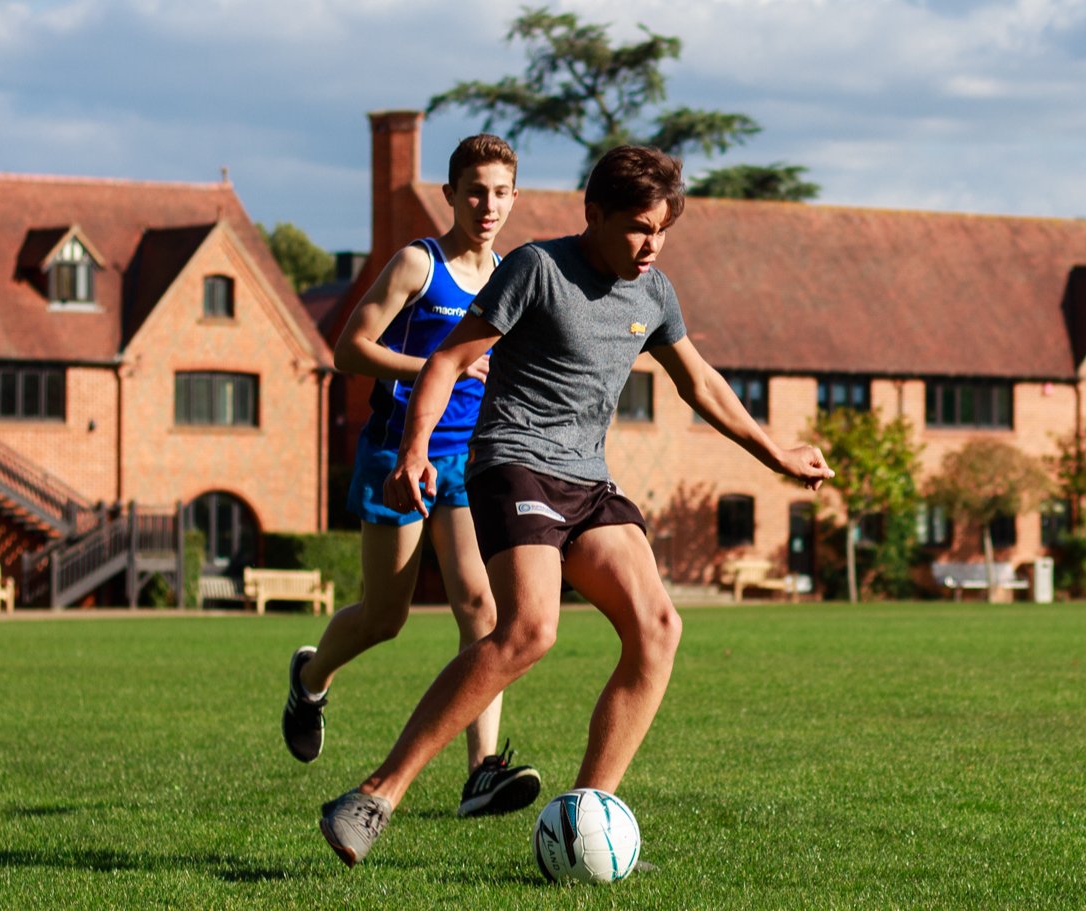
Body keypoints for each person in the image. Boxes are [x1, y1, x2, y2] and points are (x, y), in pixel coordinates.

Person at [317, 146, 835, 866]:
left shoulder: (654, 293)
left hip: (588, 478)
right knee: (529, 629)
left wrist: (774, 452)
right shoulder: (536, 267)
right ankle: (375, 795)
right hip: (514, 463)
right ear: (593, 214)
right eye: (636, 228)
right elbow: (446, 359)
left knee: (659, 627)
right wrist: (413, 451)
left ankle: (585, 816)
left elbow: (700, 383)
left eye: (662, 230)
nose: (651, 244)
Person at [282, 134, 542, 819]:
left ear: (515, 198)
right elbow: (348, 350)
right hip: (399, 453)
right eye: (476, 191)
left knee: (483, 611)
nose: (488, 205)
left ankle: (482, 772)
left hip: (470, 459)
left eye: (501, 192)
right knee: (384, 617)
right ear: (451, 194)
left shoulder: (514, 274)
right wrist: (440, 366)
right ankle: (309, 679)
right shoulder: (418, 266)